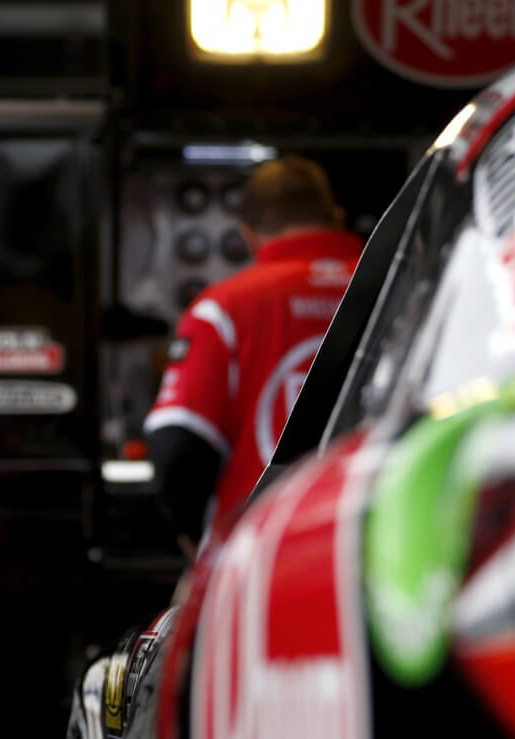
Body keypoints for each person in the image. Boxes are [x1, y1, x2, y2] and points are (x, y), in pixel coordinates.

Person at [143, 155, 364, 555]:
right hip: (373, 542)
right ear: (338, 216)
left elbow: (177, 443)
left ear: (248, 235)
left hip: (256, 554)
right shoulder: (400, 290)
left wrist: (194, 538)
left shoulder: (223, 307)